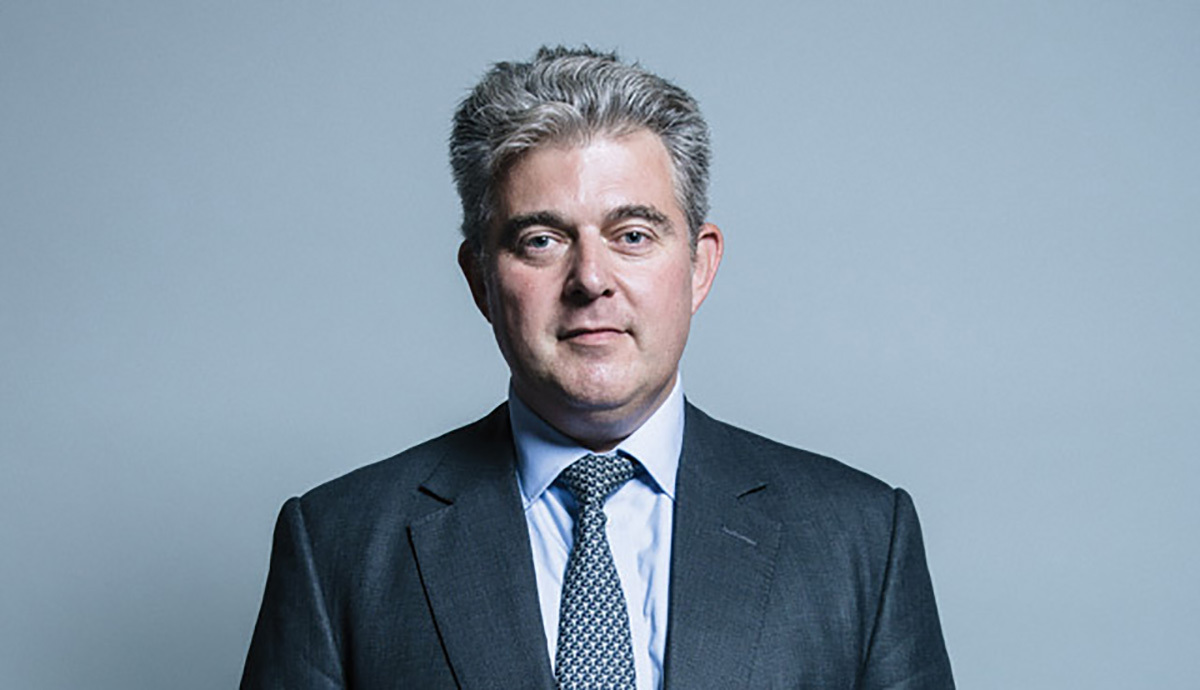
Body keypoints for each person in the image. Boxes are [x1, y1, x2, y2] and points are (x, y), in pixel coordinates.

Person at [241, 46, 954, 689]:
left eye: (632, 235)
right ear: (480, 279)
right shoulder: (337, 545)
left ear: (699, 266)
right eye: (541, 240)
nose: (591, 279)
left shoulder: (861, 538)